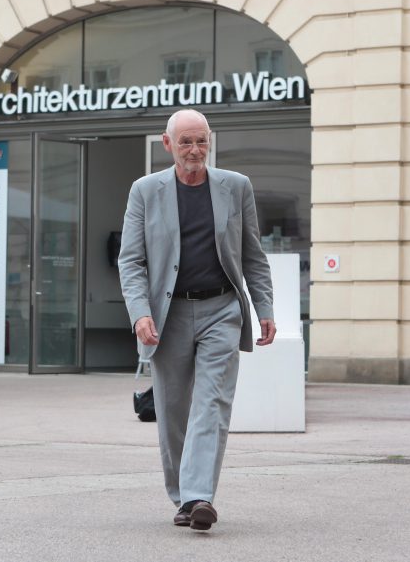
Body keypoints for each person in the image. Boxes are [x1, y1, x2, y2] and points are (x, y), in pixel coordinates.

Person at [118, 109, 275, 532]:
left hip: (221, 308)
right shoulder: (145, 191)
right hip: (167, 315)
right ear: (168, 145)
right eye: (185, 142)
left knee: (212, 404)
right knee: (173, 411)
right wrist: (140, 314)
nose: (195, 150)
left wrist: (265, 309)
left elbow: (252, 256)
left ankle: (200, 495)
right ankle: (183, 497)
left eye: (201, 140)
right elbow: (131, 261)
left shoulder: (235, 187)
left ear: (210, 141)